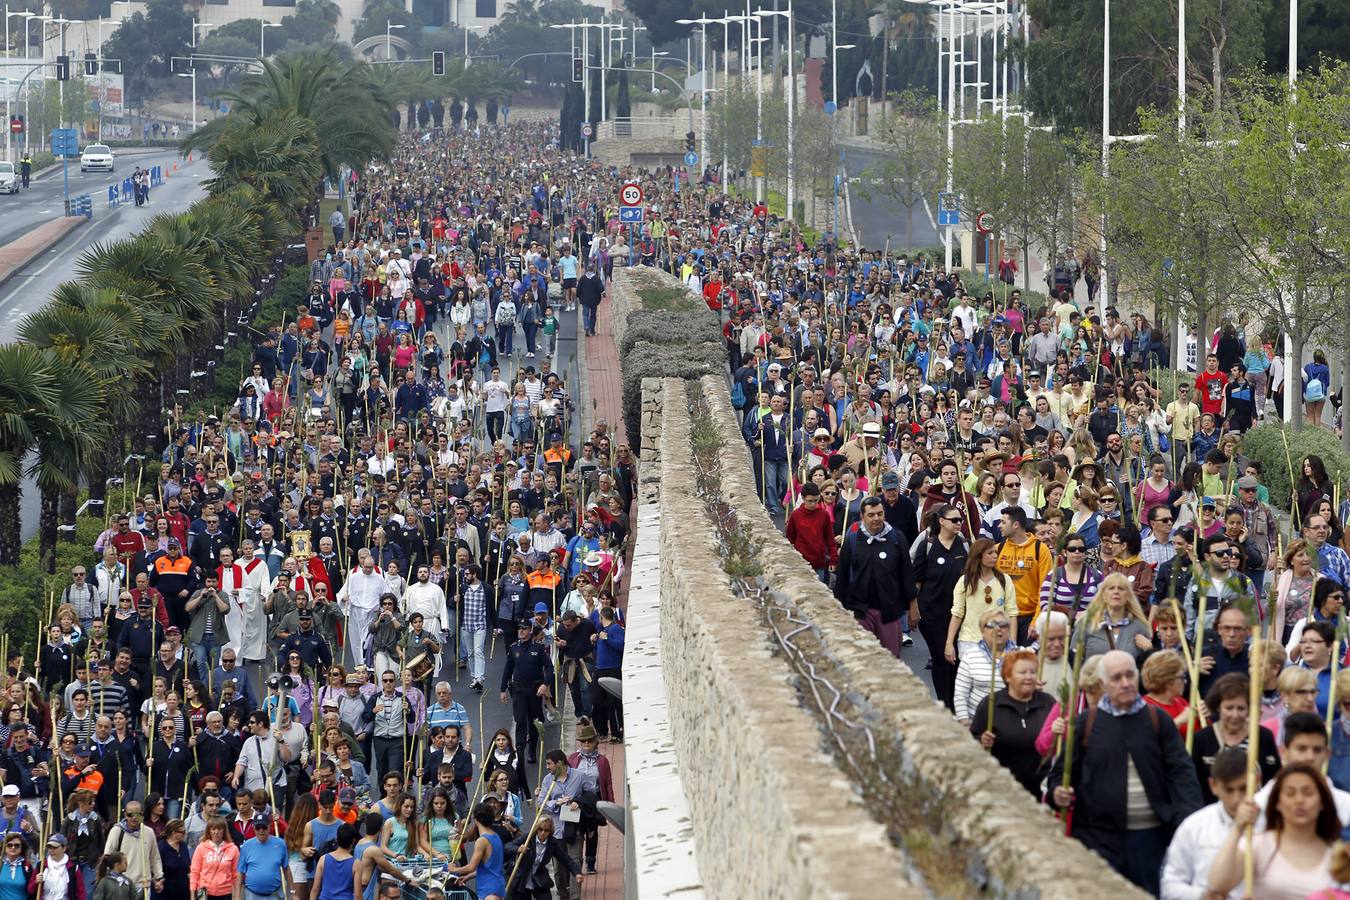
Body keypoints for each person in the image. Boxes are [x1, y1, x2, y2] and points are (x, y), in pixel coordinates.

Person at [1049, 650, 1204, 895]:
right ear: (1102, 684)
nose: (1125, 683)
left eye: (1130, 675)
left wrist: (1188, 822)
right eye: (1117, 677)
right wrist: (1058, 792)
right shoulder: (1086, 723)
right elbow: (1062, 773)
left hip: (1151, 840)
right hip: (1099, 839)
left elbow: (1181, 773)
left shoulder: (1157, 720)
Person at [1207, 763, 1336, 898]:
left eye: (1308, 793)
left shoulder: (1336, 854)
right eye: (1290, 793)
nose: (1299, 800)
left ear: (1322, 802)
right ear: (1277, 803)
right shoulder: (1258, 844)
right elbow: (1217, 884)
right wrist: (1238, 828)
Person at [968, 648, 1055, 796]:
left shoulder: (1048, 703)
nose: (1029, 677)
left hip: (1040, 788)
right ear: (1008, 676)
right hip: (1002, 788)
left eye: (1032, 672)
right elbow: (972, 741)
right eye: (1022, 673)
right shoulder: (991, 704)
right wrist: (982, 741)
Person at [1188, 673, 1280, 804]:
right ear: (1218, 707)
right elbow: (1192, 784)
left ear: (1249, 709)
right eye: (1229, 708)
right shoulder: (1201, 739)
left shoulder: (1263, 736)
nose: (1235, 715)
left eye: (1241, 708)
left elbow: (1274, 780)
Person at [952, 609, 1012, 727]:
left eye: (1003, 625)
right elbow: (960, 694)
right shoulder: (970, 656)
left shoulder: (1020, 656)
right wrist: (966, 723)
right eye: (992, 625)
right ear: (982, 630)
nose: (998, 629)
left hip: (1010, 724)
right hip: (977, 722)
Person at [445, 804, 508, 900]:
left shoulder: (482, 840)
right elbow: (490, 867)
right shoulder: (495, 836)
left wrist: (454, 869)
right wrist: (468, 877)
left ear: (475, 819)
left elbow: (471, 867)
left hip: (488, 889)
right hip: (497, 885)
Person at [235, 811, 288, 900]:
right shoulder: (246, 846)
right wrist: (237, 896)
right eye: (258, 827)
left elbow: (286, 868)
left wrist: (292, 891)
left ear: (269, 827)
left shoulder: (280, 844)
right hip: (251, 895)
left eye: (264, 827)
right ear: (253, 828)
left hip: (274, 894)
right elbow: (240, 872)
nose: (261, 830)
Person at [191, 816, 239, 900]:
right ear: (209, 831)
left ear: (224, 831)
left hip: (226, 893)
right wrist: (192, 895)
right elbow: (195, 872)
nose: (216, 832)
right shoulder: (201, 848)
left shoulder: (233, 849)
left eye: (219, 829)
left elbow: (236, 874)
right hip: (205, 893)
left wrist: (237, 896)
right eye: (213, 829)